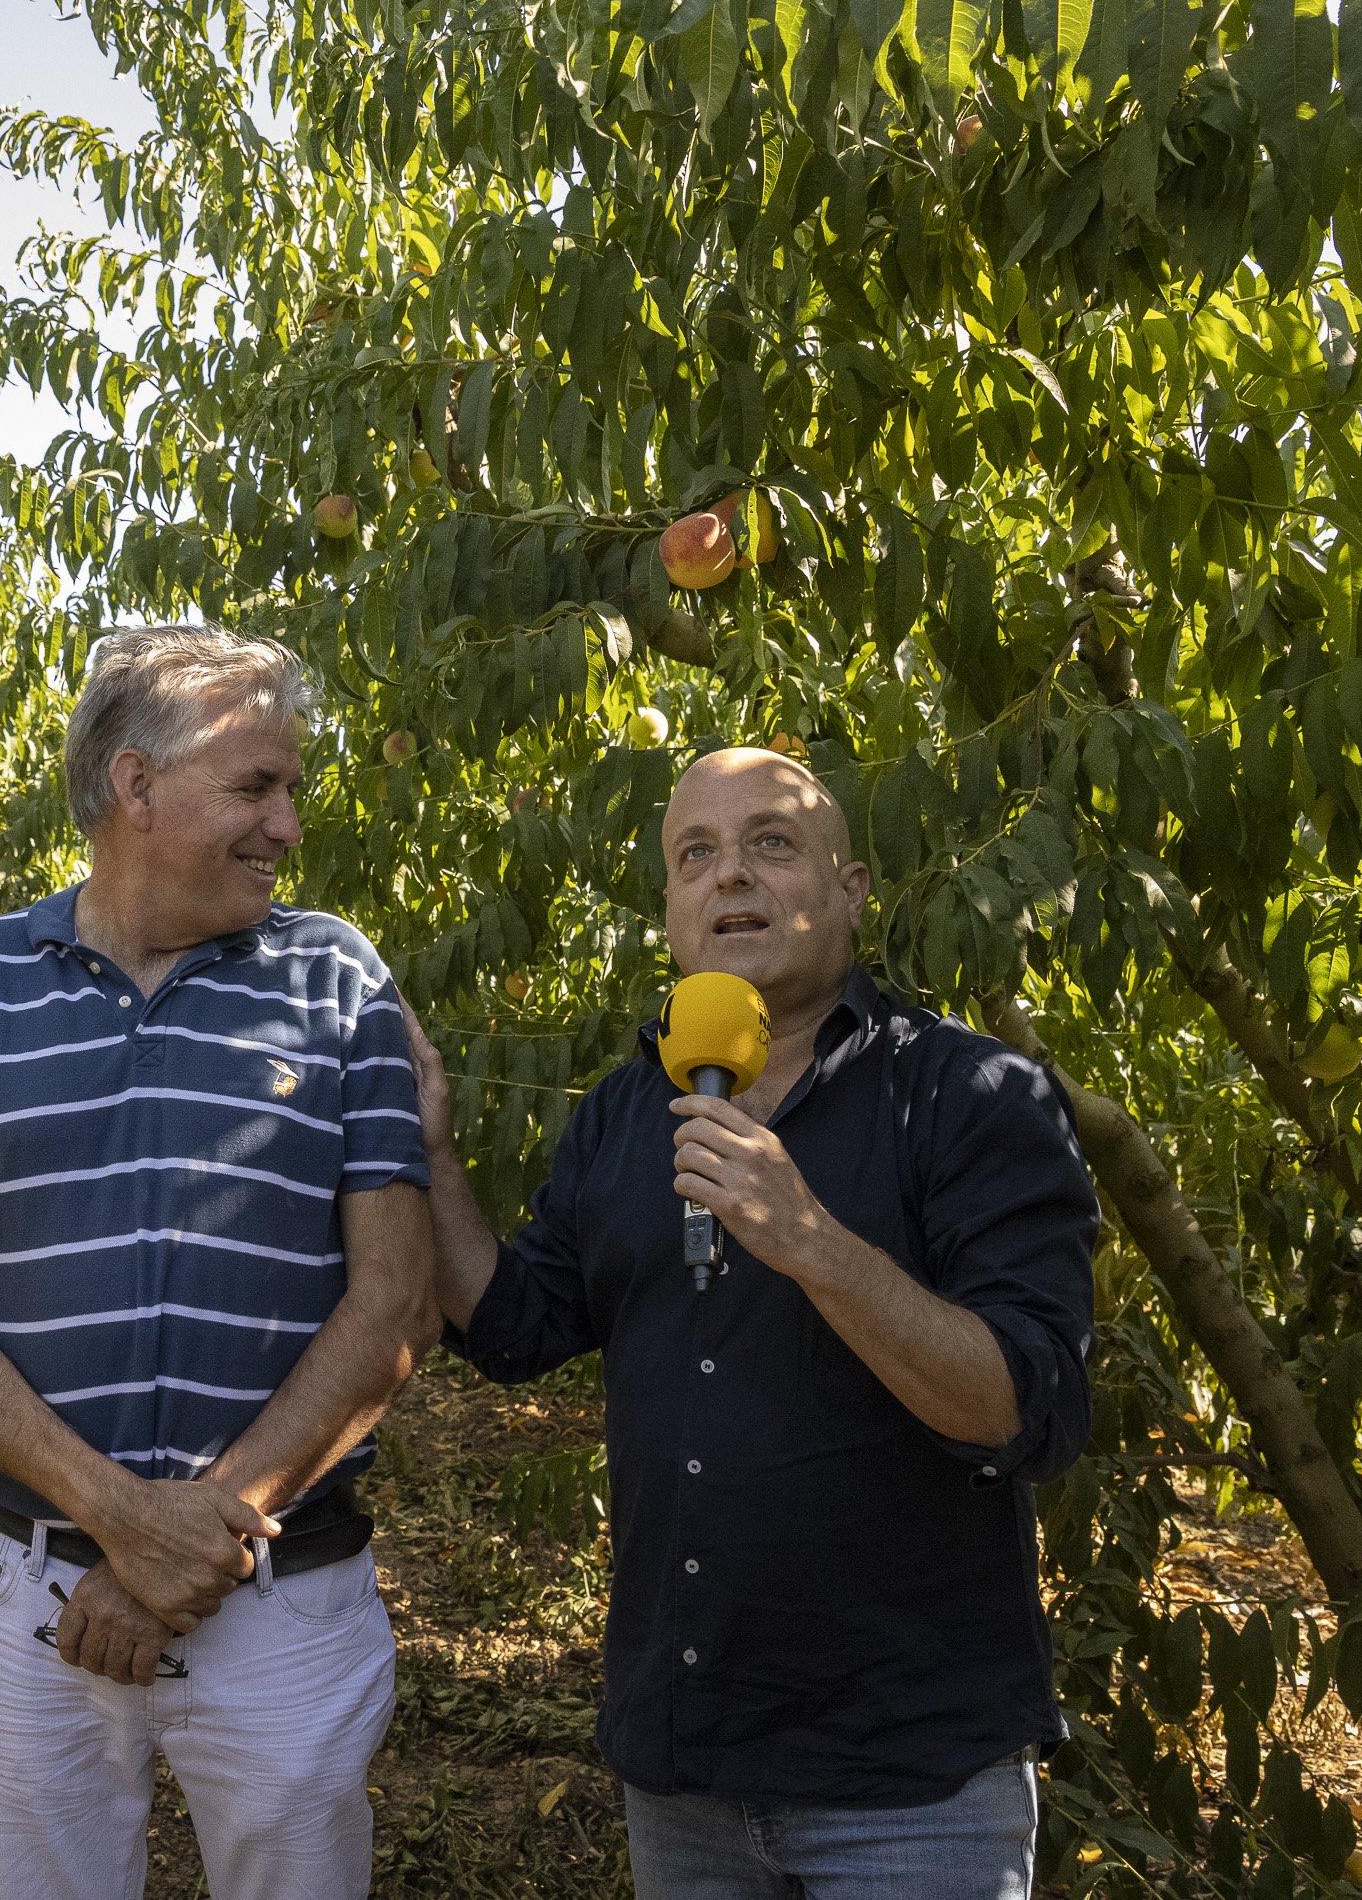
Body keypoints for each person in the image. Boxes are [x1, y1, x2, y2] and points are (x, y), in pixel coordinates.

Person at [403, 745, 1097, 1900]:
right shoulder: (630, 1109)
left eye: (770, 843)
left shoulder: (971, 1099)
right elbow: (513, 1322)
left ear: (850, 883)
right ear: (671, 908)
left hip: (907, 1777)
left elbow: (1025, 1408)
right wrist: (427, 1152)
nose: (731, 876)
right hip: (685, 1765)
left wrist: (812, 1241)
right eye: (696, 855)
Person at [0, 623, 435, 1900]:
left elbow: (395, 1302)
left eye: (289, 788)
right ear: (134, 785)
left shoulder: (336, 981)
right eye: (254, 786)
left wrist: (195, 1539)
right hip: (29, 1591)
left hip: (283, 1593)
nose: (287, 823)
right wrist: (123, 1522)